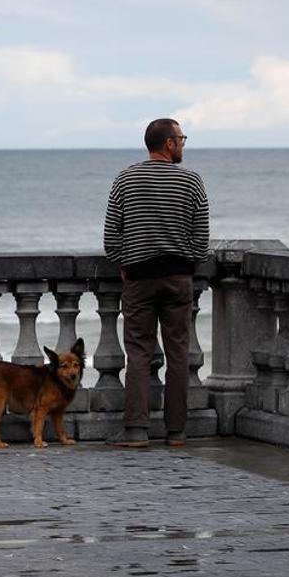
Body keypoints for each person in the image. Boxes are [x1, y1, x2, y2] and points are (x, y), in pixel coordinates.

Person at [103, 117, 210, 448]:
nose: (183, 144)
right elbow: (201, 241)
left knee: (138, 352)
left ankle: (136, 430)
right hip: (178, 278)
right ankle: (176, 431)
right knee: (178, 354)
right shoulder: (191, 182)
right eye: (181, 138)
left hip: (139, 279)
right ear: (169, 144)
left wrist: (126, 261)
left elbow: (111, 238)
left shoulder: (125, 179)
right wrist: (183, 262)